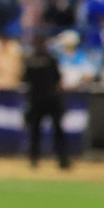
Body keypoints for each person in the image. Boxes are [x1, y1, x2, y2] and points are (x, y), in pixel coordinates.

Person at [24, 37, 70, 170]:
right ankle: (62, 160)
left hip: (35, 100)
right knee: (57, 130)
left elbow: (26, 79)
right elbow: (58, 78)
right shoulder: (51, 59)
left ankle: (34, 160)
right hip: (51, 99)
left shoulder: (30, 60)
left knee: (35, 131)